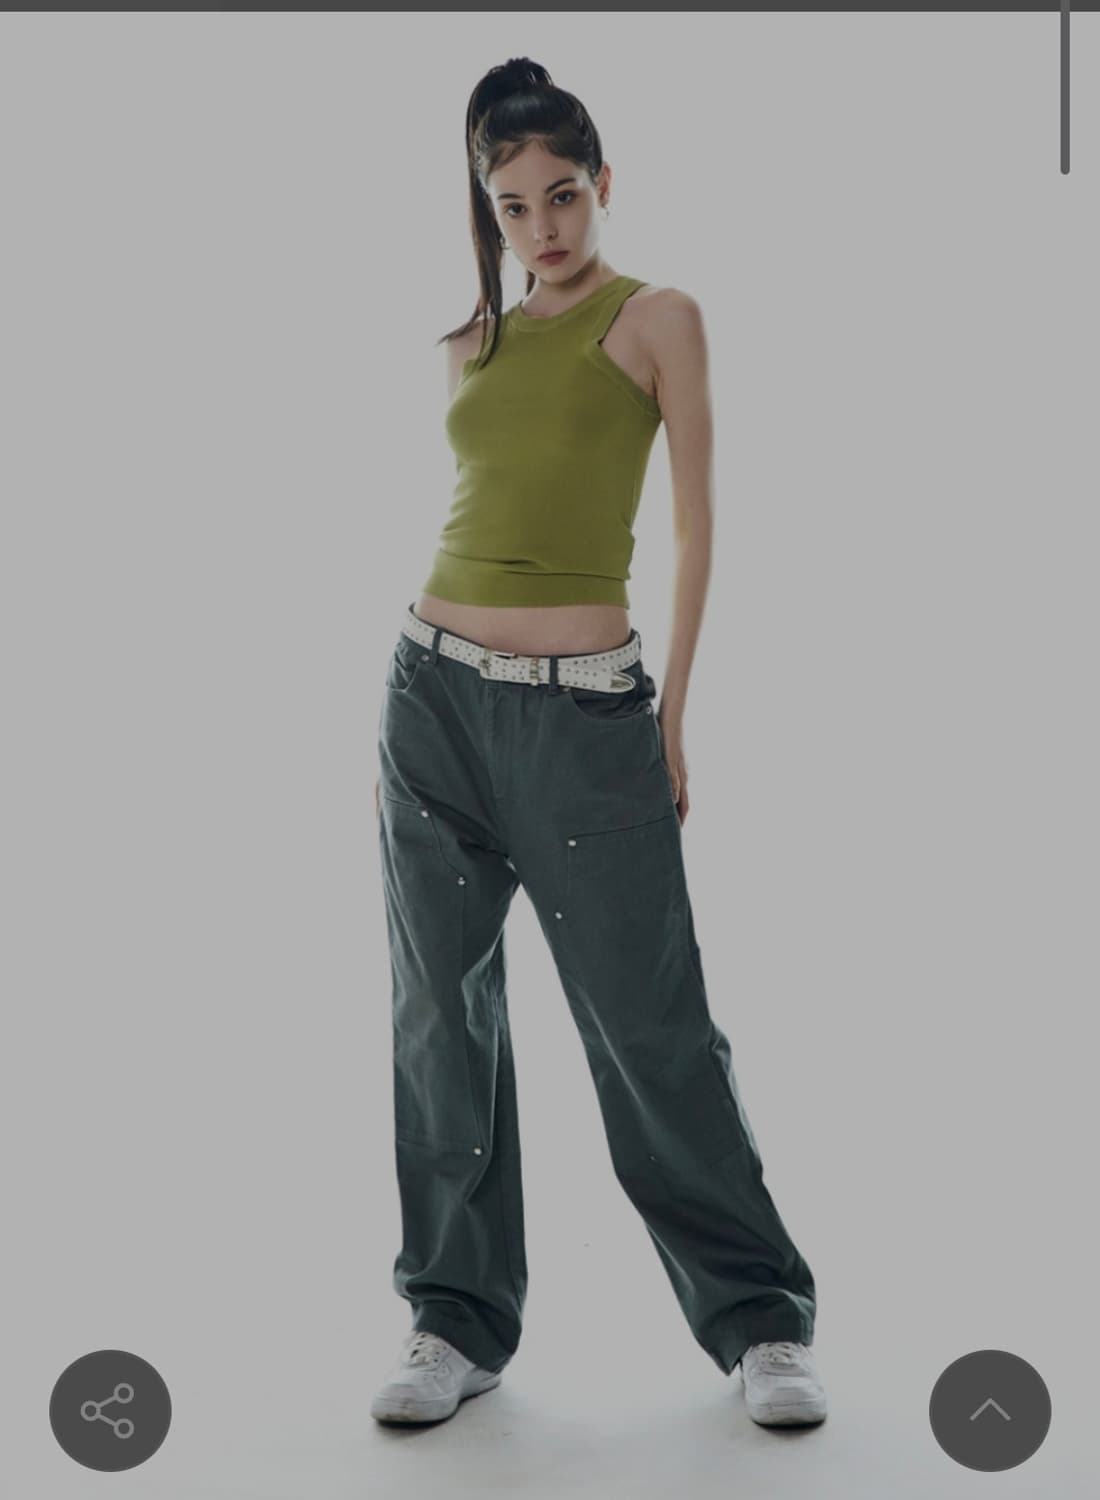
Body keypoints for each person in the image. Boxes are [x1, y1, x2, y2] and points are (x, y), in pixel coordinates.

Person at [370, 56, 826, 1431]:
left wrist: (671, 714)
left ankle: (760, 1320)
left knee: (650, 1025)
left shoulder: (657, 318)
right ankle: (455, 1321)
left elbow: (696, 523)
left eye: (562, 195)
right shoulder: (470, 343)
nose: (543, 226)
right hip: (431, 704)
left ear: (602, 183)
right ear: (488, 210)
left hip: (587, 718)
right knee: (440, 1022)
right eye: (513, 206)